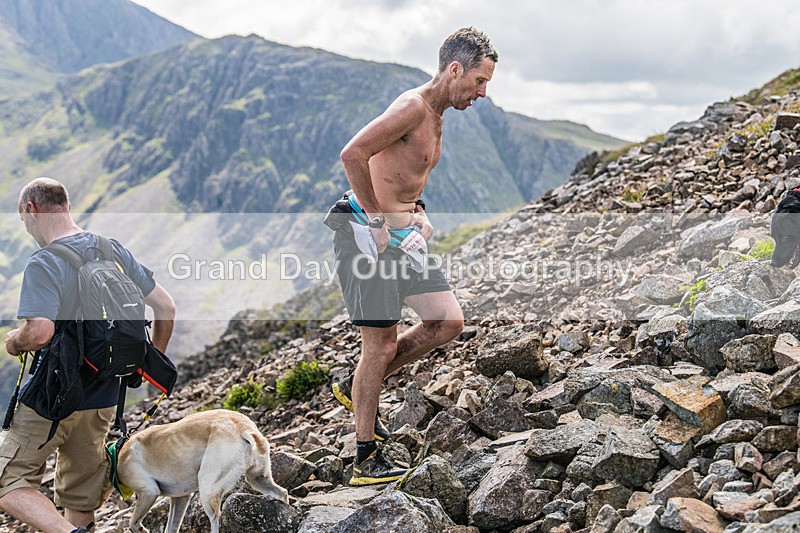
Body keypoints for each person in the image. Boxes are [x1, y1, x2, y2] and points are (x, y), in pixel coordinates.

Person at [328, 27, 497, 485]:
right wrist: (378, 222)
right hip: (365, 234)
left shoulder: (437, 117)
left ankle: (359, 384)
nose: (483, 93)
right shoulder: (412, 107)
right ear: (455, 69)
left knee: (447, 322)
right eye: (480, 81)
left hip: (404, 238)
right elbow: (353, 154)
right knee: (379, 345)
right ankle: (365, 457)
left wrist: (417, 212)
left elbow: (401, 174)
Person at [0, 178, 176, 533]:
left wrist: (15, 342)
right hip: (104, 398)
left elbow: (40, 332)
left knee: (9, 481)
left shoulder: (44, 262)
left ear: (30, 210)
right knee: (81, 495)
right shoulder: (112, 250)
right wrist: (150, 359)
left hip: (52, 400)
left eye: (23, 220)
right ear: (66, 205)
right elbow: (165, 306)